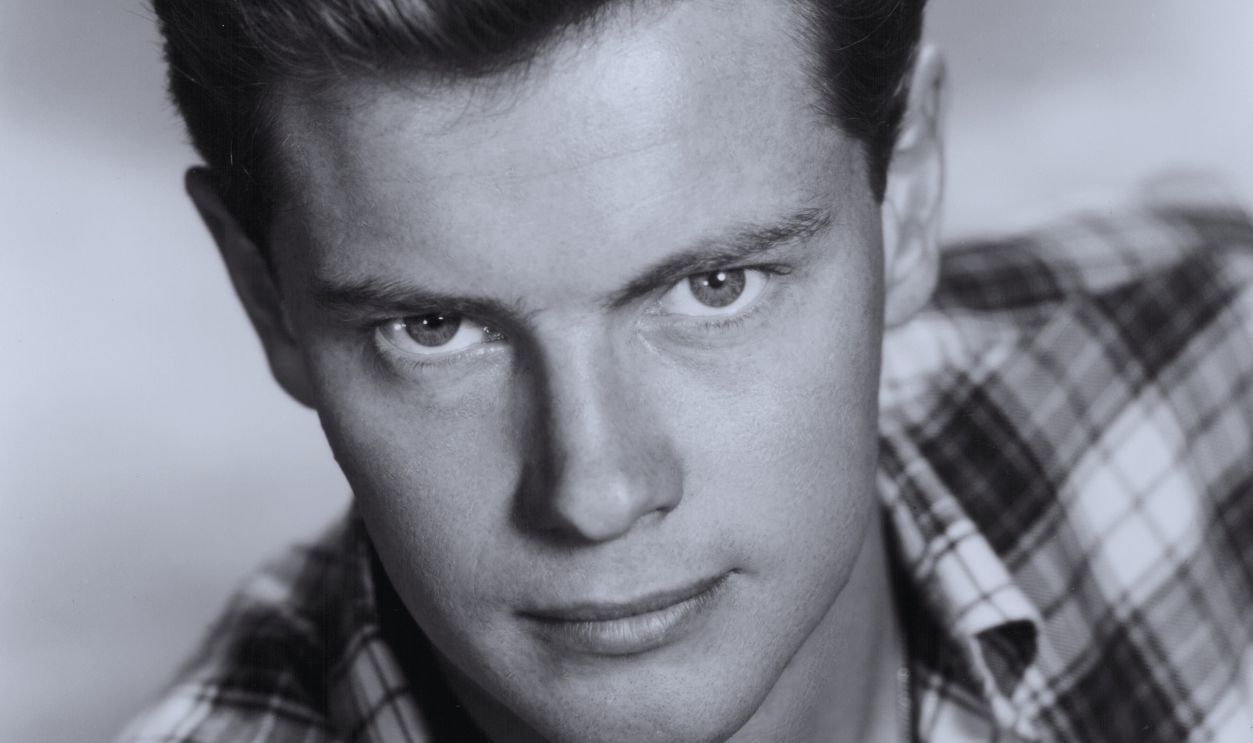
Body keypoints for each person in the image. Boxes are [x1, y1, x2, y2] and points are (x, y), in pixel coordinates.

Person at [119, 1, 1253, 741]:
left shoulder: (1208, 363)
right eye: (431, 327)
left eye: (713, 286)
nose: (597, 490)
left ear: (902, 194)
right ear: (262, 294)